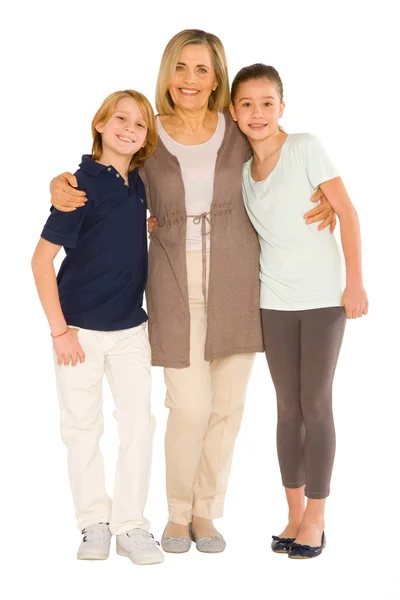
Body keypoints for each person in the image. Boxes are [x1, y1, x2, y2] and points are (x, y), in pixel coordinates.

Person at [48, 30, 336, 554]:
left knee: (227, 405)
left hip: (239, 276)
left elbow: (282, 146)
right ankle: (177, 512)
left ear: (217, 77)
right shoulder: (149, 134)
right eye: (181, 67)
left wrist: (328, 195)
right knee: (189, 404)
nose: (190, 79)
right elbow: (105, 165)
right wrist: (57, 183)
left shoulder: (235, 126)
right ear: (168, 73)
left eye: (202, 69)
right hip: (172, 280)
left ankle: (207, 510)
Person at [230, 63, 368, 559]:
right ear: (234, 112)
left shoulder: (305, 146)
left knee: (316, 403)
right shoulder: (245, 173)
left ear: (282, 108)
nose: (258, 112)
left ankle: (317, 517)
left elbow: (346, 212)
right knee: (287, 407)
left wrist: (354, 282)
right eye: (246, 104)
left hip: (323, 299)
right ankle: (292, 515)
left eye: (267, 103)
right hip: (274, 301)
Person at [31, 90, 164, 566]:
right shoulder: (79, 184)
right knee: (81, 428)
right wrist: (59, 331)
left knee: (138, 426)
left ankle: (132, 525)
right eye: (120, 119)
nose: (130, 128)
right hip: (79, 333)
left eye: (140, 124)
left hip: (131, 329)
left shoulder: (139, 183)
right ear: (101, 123)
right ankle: (94, 523)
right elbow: (41, 260)